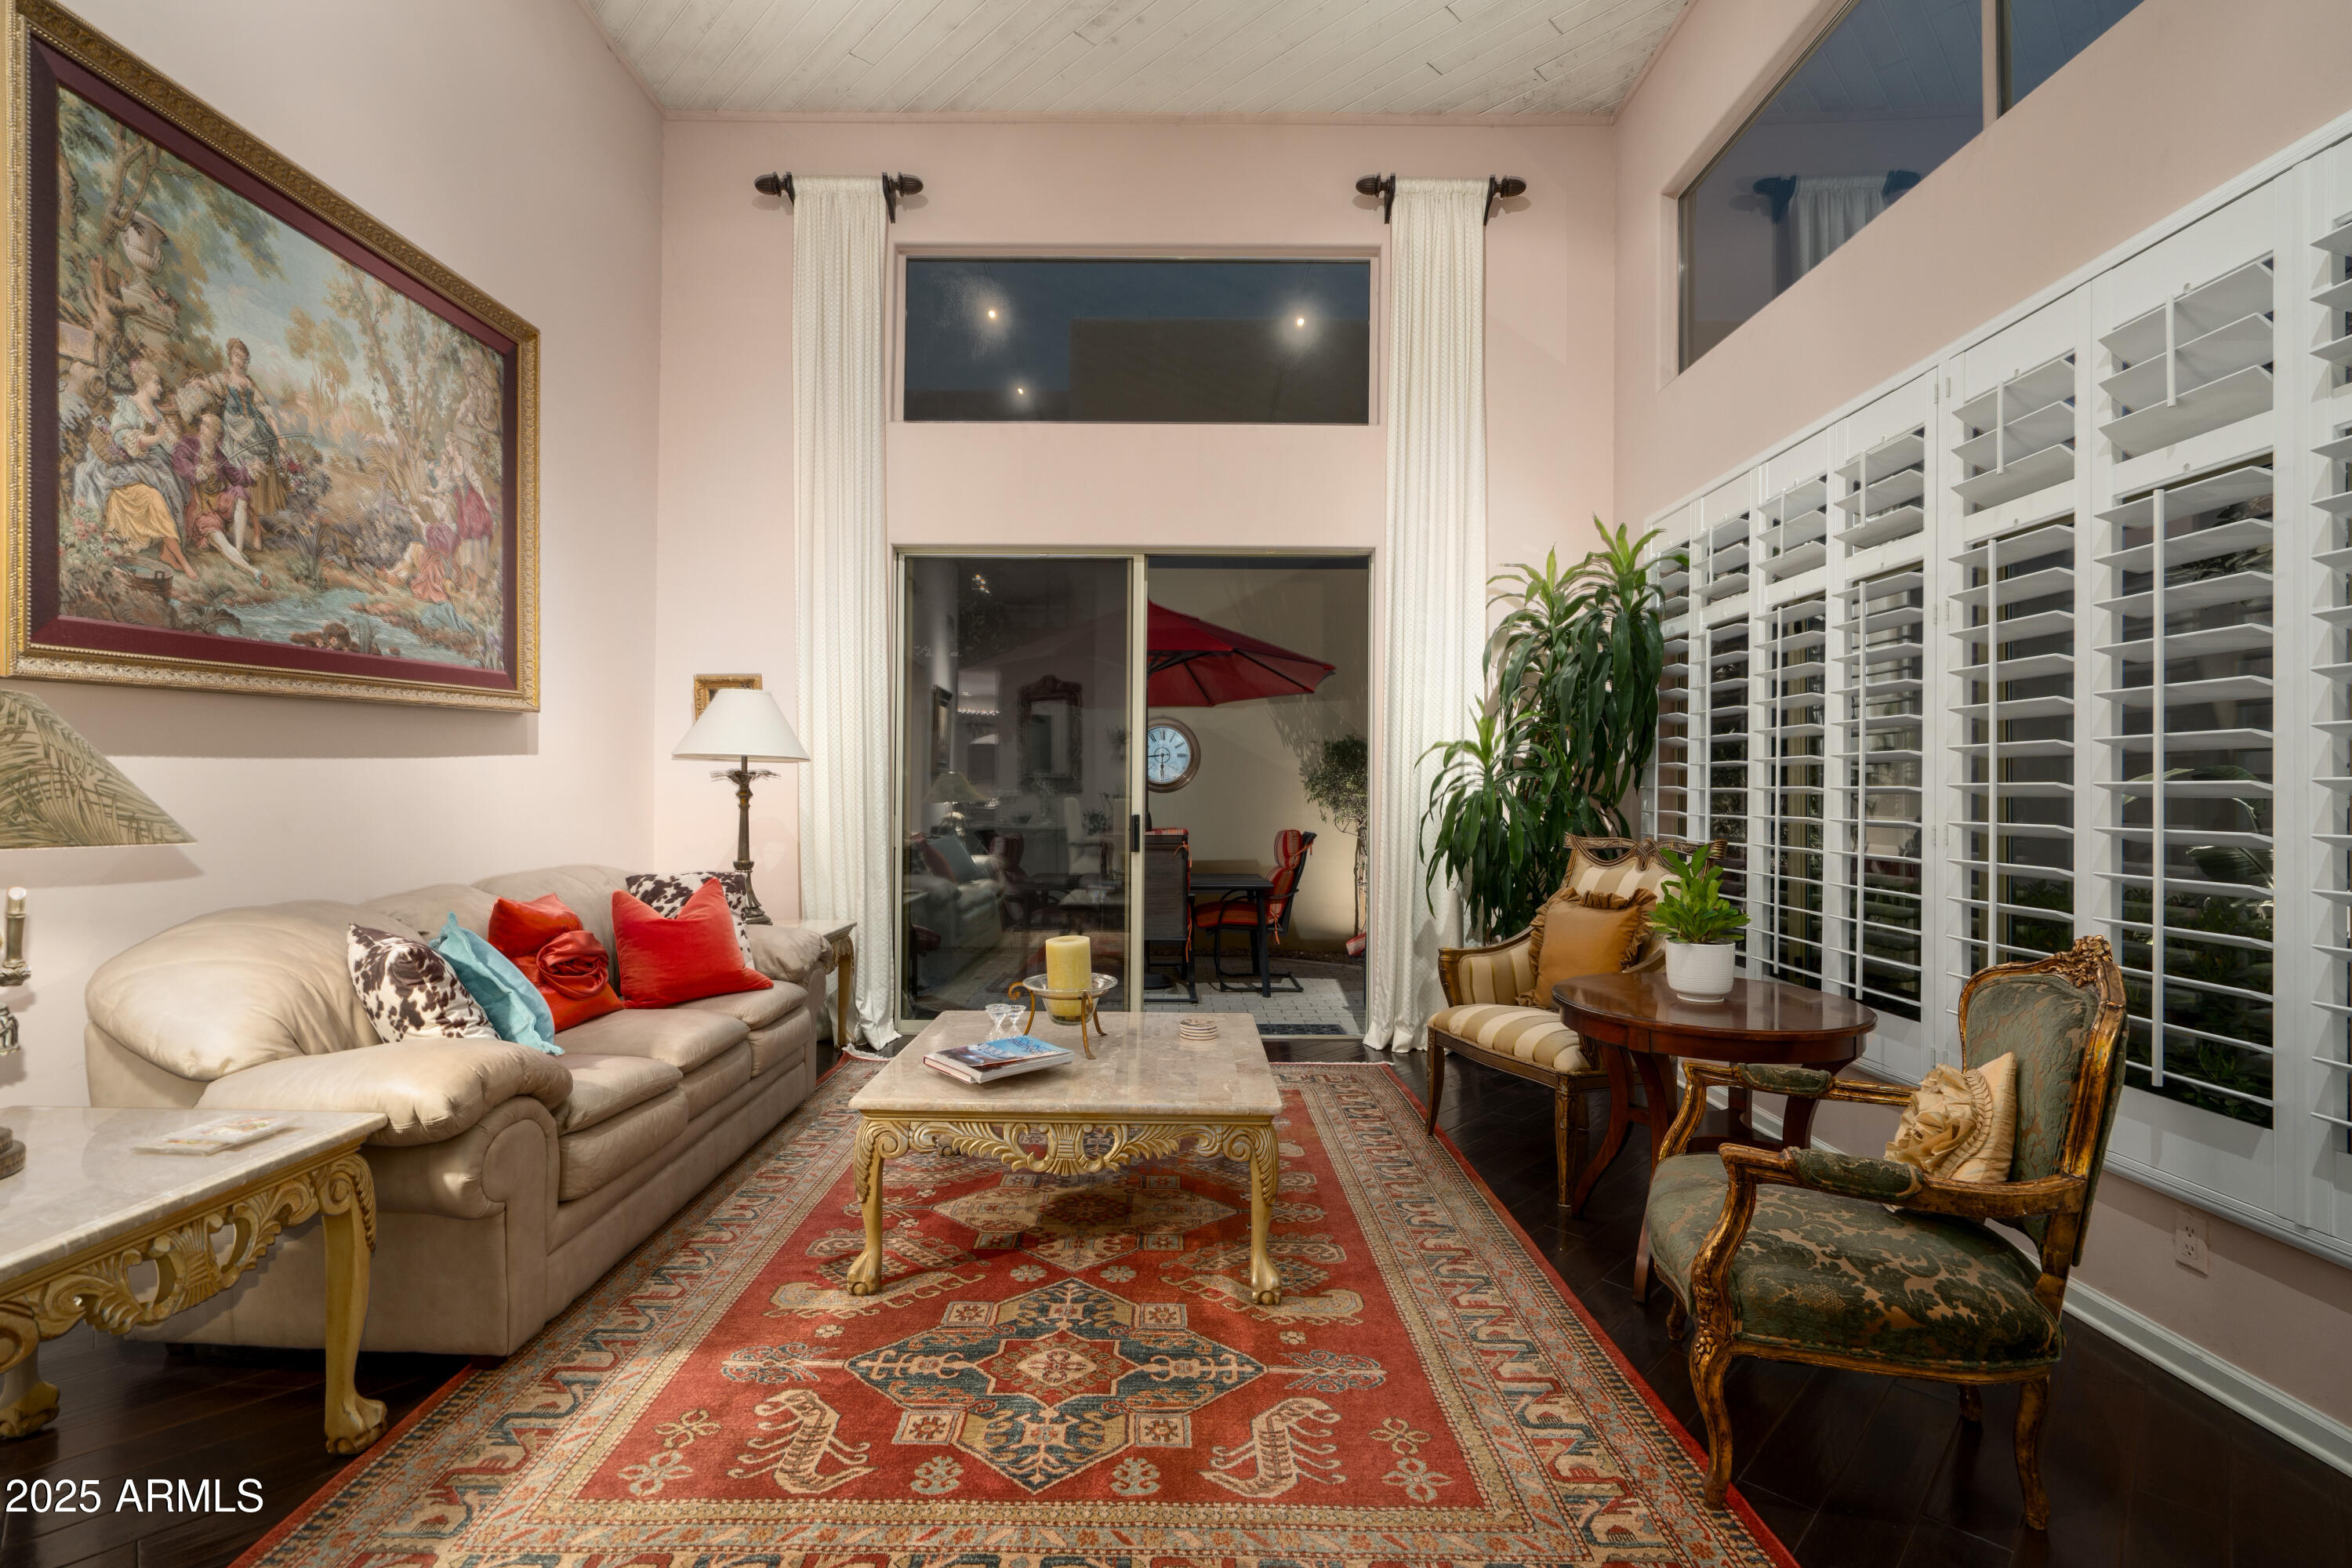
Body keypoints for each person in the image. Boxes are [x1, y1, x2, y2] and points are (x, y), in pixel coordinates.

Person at [90, 358, 194, 577]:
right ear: (145, 383)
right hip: (131, 464)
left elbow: (167, 442)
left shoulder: (155, 412)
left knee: (179, 481)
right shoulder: (127, 404)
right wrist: (156, 438)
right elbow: (120, 437)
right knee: (160, 490)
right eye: (156, 383)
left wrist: (176, 443)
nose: (160, 387)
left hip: (153, 463)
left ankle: (168, 552)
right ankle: (179, 558)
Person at [169, 410, 265, 584]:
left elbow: (236, 477)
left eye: (208, 426)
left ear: (216, 435)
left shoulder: (218, 453)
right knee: (220, 542)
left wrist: (251, 468)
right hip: (200, 507)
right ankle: (254, 572)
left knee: (240, 494)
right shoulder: (189, 443)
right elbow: (179, 461)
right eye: (202, 424)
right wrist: (201, 471)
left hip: (219, 500)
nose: (202, 428)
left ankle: (239, 549)